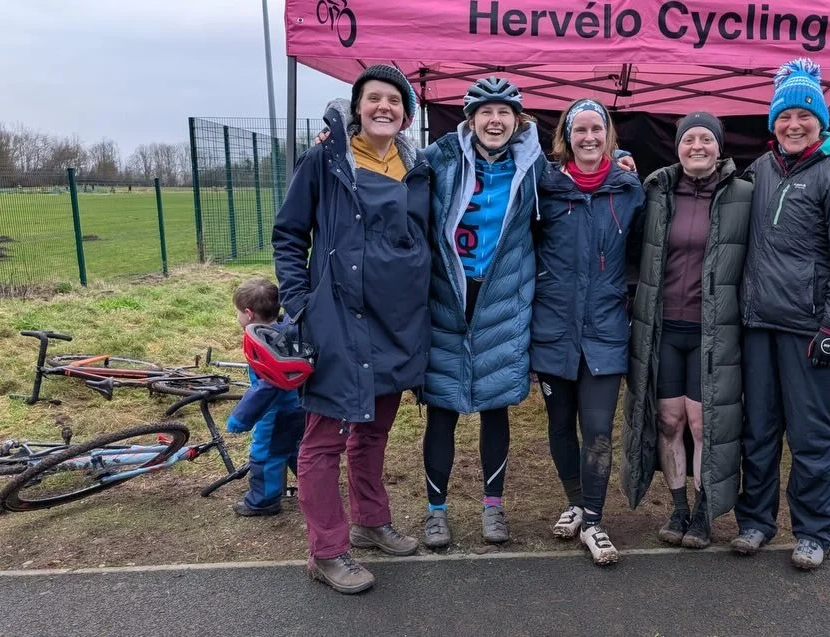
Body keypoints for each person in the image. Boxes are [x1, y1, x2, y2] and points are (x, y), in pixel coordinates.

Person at [273, 64, 430, 594]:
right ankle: (327, 550)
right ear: (358, 107)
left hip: (397, 325)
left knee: (373, 431)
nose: (384, 107)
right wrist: (300, 303)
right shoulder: (325, 160)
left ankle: (369, 520)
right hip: (339, 320)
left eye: (394, 101)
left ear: (406, 114)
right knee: (323, 442)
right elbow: (290, 234)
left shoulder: (418, 168)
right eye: (374, 99)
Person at [731, 58, 830, 570]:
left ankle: (813, 531)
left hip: (812, 331)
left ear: (821, 121)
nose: (794, 125)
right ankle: (755, 521)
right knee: (759, 430)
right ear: (773, 122)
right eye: (784, 116)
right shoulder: (761, 170)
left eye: (804, 115)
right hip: (758, 327)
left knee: (813, 437)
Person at [418, 77, 541, 548]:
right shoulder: (439, 159)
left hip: (501, 300)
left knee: (494, 408)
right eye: (486, 113)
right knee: (442, 411)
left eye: (504, 113)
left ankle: (493, 507)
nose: (495, 120)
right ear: (471, 120)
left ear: (517, 120)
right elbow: (391, 171)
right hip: (447, 297)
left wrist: (624, 166)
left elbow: (575, 182)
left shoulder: (531, 169)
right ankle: (436, 511)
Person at [621, 112, 751, 549]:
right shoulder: (656, 192)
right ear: (677, 147)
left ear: (719, 147)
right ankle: (677, 508)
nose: (697, 146)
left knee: (702, 423)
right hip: (663, 331)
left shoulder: (744, 195)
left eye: (706, 139)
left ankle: (702, 513)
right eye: (688, 139)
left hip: (713, 333)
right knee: (668, 421)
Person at [533, 97, 645, 565]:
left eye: (596, 129)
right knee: (560, 426)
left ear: (609, 135)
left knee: (597, 428)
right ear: (566, 138)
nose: (588, 138)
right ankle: (576, 503)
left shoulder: (630, 190)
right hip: (554, 329)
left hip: (604, 331)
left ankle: (595, 521)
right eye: (579, 130)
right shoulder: (546, 190)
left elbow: (643, 251)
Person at [226, 278, 303, 518]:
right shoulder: (288, 328)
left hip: (276, 410)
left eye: (238, 313)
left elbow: (266, 387)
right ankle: (318, 488)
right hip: (300, 406)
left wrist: (239, 419)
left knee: (266, 454)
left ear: (249, 314)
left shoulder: (264, 344)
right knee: (297, 450)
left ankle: (263, 501)